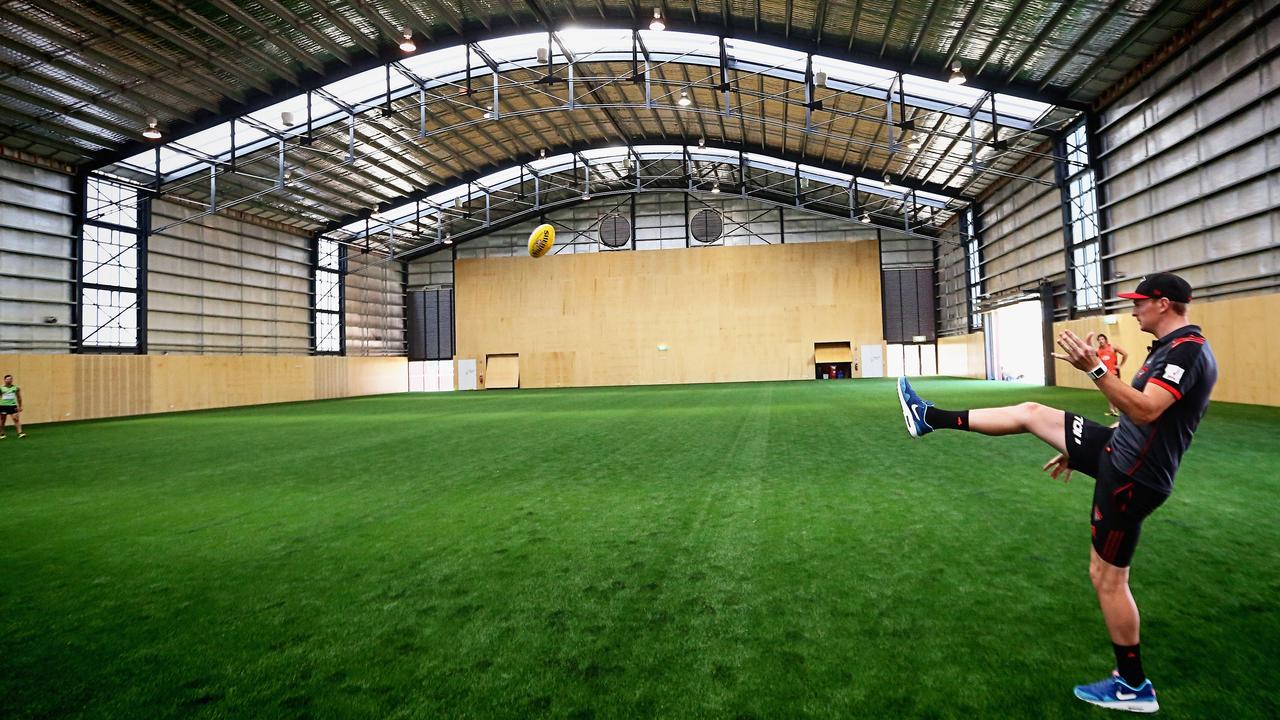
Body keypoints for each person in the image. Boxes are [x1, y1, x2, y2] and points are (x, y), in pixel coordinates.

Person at [895, 272, 1216, 714]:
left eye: (1140, 301)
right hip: (1115, 451)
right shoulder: (1168, 349)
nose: (1133, 308)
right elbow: (1145, 420)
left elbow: (1147, 409)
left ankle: (1133, 686)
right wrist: (1076, 450)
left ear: (1163, 304)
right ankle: (928, 417)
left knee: (1108, 578)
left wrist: (1096, 370)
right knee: (1032, 413)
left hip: (1131, 478)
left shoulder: (1186, 351)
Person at [1096, 334, 1129, 416]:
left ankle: (1121, 408)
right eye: (1099, 340)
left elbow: (1125, 354)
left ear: (1106, 340)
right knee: (1108, 392)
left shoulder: (1113, 348)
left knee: (1117, 391)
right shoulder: (1097, 351)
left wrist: (1120, 365)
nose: (1101, 341)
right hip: (1104, 374)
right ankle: (1112, 410)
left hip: (1114, 373)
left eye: (1102, 339)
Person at [0, 374, 24, 439]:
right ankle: (1, 434)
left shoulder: (16, 388)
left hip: (13, 405)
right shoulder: (1, 388)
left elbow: (19, 397)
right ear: (4, 380)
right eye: (7, 379)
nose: (9, 380)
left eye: (10, 379)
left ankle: (20, 433)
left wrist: (20, 406)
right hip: (3, 405)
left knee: (16, 419)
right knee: (2, 420)